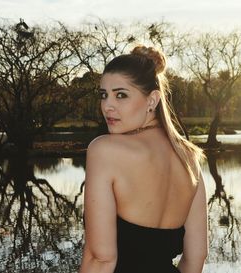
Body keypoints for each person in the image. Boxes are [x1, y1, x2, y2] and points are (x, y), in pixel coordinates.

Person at [79, 45, 208, 273]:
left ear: (152, 100)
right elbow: (197, 256)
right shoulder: (189, 156)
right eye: (103, 95)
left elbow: (101, 259)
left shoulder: (104, 150)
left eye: (121, 95)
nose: (107, 106)